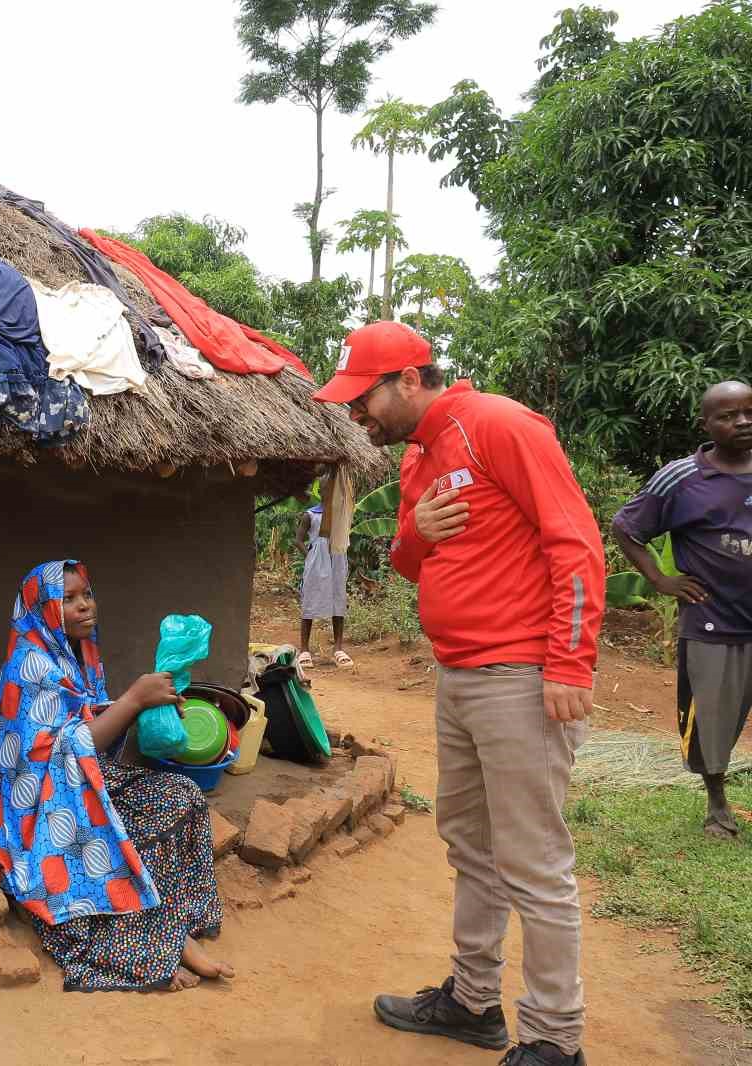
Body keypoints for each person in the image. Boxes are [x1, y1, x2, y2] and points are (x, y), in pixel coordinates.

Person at [313, 321, 604, 1066]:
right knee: (471, 846)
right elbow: (414, 564)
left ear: (409, 380)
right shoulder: (419, 460)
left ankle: (555, 1038)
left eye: (364, 399)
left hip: (521, 679)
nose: (357, 416)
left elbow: (575, 542)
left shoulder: (499, 425)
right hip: (460, 676)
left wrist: (571, 663)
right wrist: (421, 533)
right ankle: (474, 1002)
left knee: (533, 862)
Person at [0, 560, 233, 992]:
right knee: (104, 850)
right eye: (67, 599)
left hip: (76, 781)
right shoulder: (31, 666)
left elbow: (88, 738)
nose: (85, 606)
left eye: (86, 594)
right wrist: (134, 700)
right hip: (28, 811)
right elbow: (61, 750)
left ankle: (175, 923)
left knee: (181, 797)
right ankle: (159, 944)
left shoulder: (77, 654)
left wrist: (149, 707)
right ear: (43, 609)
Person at [612, 379, 752, 840]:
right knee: (711, 717)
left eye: (749, 411)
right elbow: (626, 527)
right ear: (706, 424)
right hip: (714, 620)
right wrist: (659, 579)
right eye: (728, 415)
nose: (743, 421)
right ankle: (718, 807)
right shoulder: (681, 477)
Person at [295, 495, 352, 668]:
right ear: (322, 490)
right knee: (310, 600)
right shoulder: (310, 515)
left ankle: (338, 648)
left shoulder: (342, 514)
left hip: (337, 558)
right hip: (317, 561)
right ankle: (304, 650)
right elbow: (298, 540)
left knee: (338, 598)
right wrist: (310, 556)